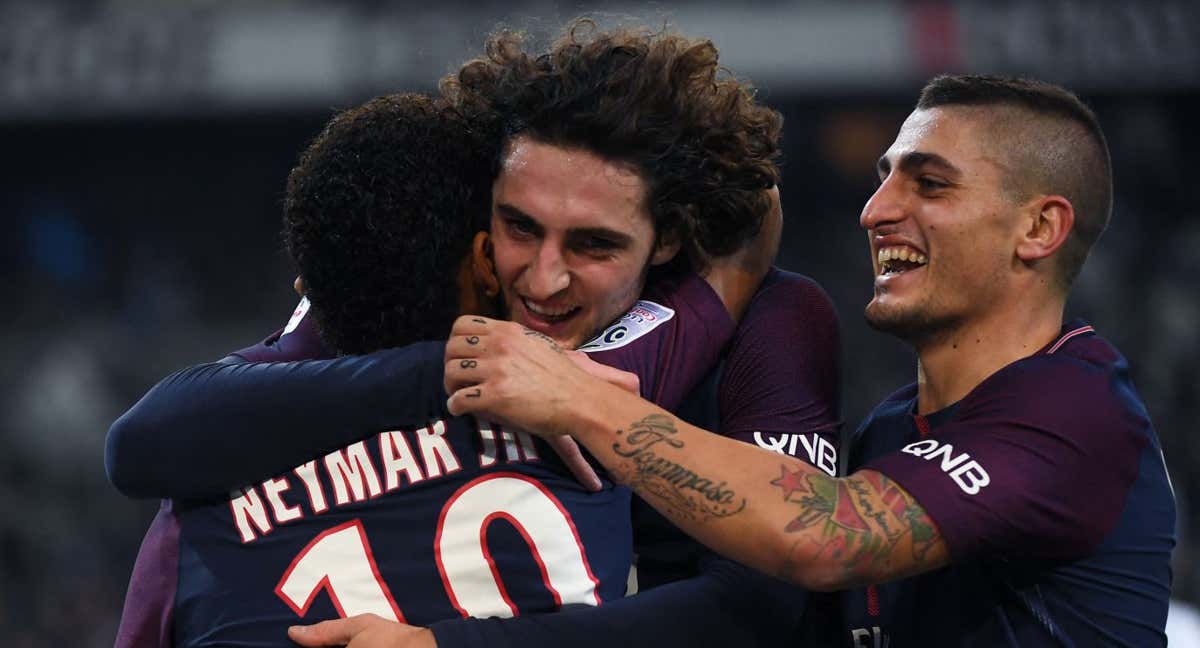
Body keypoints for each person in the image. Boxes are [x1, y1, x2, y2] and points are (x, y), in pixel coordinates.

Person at [111, 21, 843, 648]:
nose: (543, 279)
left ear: (671, 239)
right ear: (476, 234)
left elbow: (762, 606)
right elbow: (149, 441)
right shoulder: (403, 317)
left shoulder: (769, 321)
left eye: (593, 245)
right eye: (519, 227)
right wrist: (451, 369)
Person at [444, 74, 1177, 646]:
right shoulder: (894, 429)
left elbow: (827, 536)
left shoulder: (1076, 409)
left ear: (1040, 227)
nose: (876, 208)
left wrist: (579, 397)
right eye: (885, 176)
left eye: (929, 183)